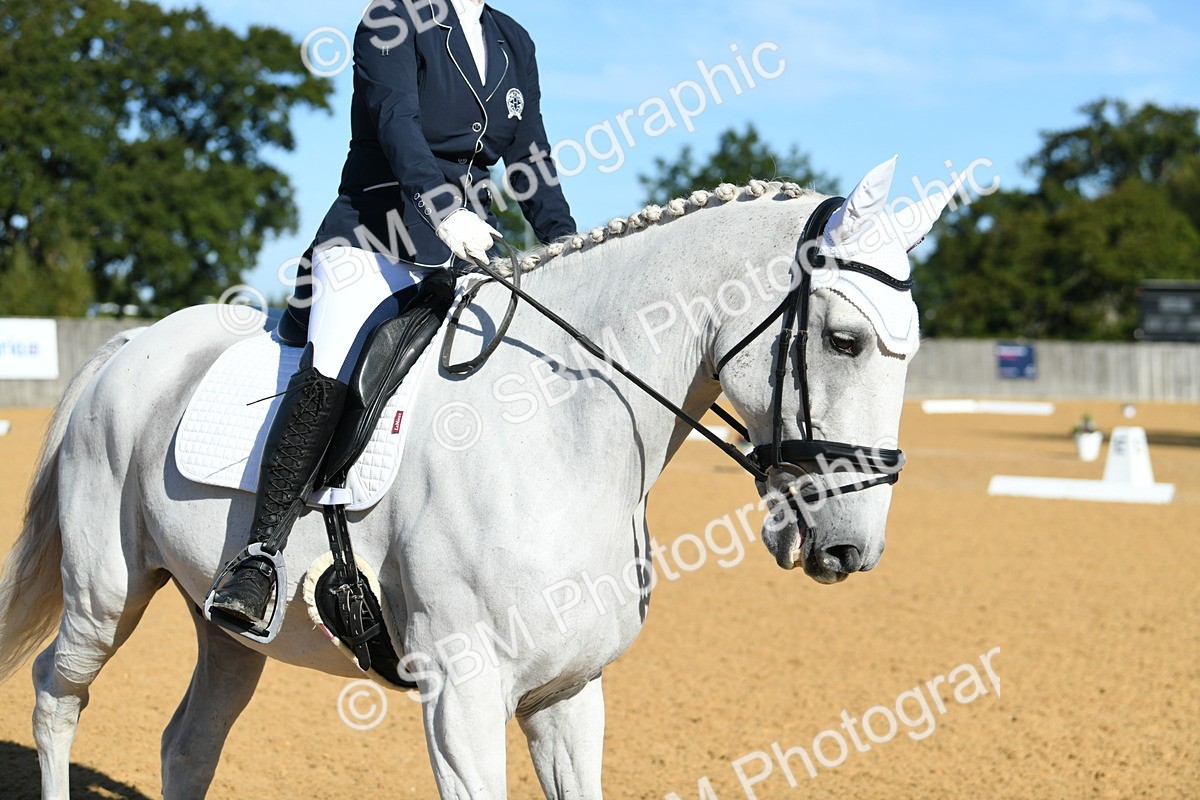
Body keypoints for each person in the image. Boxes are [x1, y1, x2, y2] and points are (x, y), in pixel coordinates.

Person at [206, 0, 576, 634]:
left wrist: (568, 245)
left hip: (468, 244)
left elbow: (530, 151)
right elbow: (395, 119)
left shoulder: (514, 39)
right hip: (373, 234)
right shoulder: (391, 18)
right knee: (338, 350)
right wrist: (441, 206)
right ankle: (259, 555)